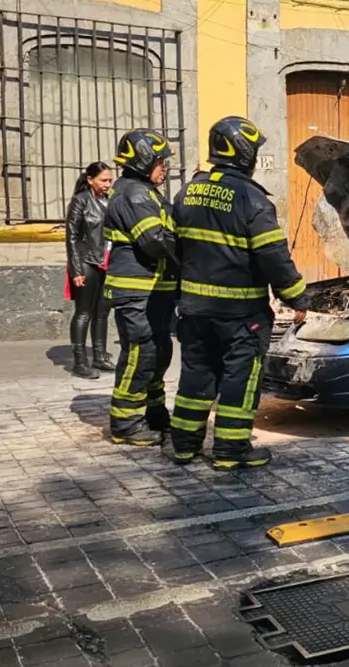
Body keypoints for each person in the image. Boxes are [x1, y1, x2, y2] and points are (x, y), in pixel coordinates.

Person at [170, 115, 310, 470]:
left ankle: (184, 446)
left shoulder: (188, 191)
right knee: (239, 380)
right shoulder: (252, 200)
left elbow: (175, 247)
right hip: (239, 315)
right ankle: (231, 451)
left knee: (196, 375)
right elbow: (273, 257)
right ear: (245, 154)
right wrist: (297, 296)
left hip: (194, 310)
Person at [102, 129, 179, 446]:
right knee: (141, 351)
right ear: (145, 160)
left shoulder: (145, 191)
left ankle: (153, 412)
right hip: (137, 289)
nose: (165, 168)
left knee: (159, 350)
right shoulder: (134, 194)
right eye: (161, 161)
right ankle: (126, 423)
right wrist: (194, 250)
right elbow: (154, 241)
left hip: (155, 288)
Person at [65, 161, 116, 380]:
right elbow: (72, 237)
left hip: (107, 261)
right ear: (90, 179)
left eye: (110, 180)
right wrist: (76, 270)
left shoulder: (111, 201)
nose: (107, 184)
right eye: (103, 180)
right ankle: (79, 361)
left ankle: (99, 355)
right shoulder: (80, 201)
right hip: (87, 261)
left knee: (103, 311)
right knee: (84, 311)